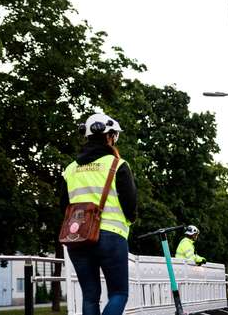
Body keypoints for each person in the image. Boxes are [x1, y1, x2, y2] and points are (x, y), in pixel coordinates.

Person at [61, 113, 137, 315]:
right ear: (109, 136)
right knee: (119, 293)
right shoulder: (118, 165)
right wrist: (129, 219)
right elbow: (130, 205)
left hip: (77, 238)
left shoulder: (70, 170)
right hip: (111, 236)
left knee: (90, 296)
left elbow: (64, 207)